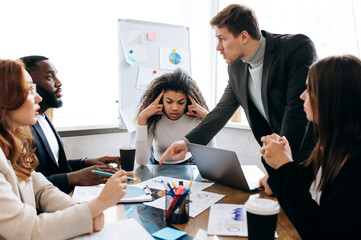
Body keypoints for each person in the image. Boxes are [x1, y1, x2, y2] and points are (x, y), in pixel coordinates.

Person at [159, 4, 317, 192]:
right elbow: (221, 110)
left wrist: (281, 169)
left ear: (243, 36)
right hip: (279, 159)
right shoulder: (236, 68)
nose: (218, 48)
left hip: (309, 156)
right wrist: (186, 142)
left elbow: (296, 110)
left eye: (222, 39)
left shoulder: (296, 48)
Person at [0, 59, 128, 239]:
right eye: (30, 90)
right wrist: (99, 204)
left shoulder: (16, 145)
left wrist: (83, 212)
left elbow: (42, 190)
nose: (38, 98)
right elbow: (27, 230)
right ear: (5, 98)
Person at [260, 55, 361, 239]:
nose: (302, 95)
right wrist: (280, 163)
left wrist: (284, 167)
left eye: (309, 88)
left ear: (332, 98)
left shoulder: (356, 166)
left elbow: (318, 231)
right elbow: (306, 186)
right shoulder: (331, 146)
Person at [21, 55, 119, 194]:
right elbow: (31, 184)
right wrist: (74, 178)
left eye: (56, 76)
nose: (59, 83)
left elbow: (53, 167)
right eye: (49, 77)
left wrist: (84, 163)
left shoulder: (45, 118)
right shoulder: (22, 128)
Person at [136, 69, 216, 165]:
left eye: (181, 102)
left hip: (188, 164)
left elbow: (212, 158)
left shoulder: (195, 118)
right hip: (159, 164)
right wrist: (142, 117)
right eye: (169, 101)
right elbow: (140, 161)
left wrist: (207, 118)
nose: (175, 108)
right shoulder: (154, 118)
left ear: (187, 101)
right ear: (161, 100)